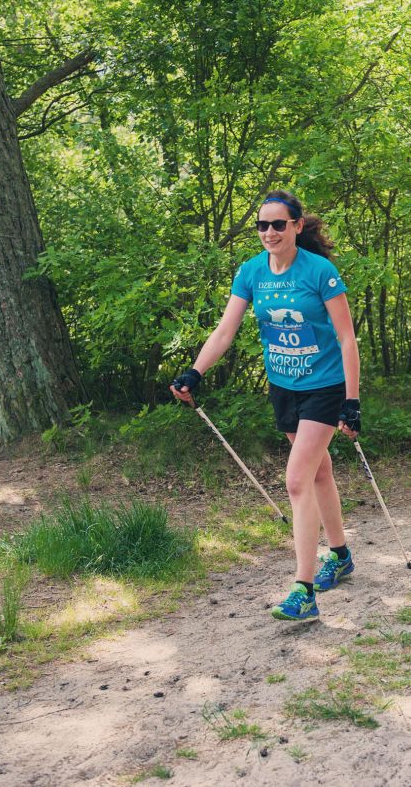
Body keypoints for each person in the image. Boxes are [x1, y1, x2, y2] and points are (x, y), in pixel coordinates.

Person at [171, 190, 360, 621]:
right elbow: (225, 331)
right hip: (283, 385)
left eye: (278, 224)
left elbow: (346, 338)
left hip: (324, 386)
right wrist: (195, 372)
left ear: (296, 226)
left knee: (296, 480)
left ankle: (304, 591)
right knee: (319, 471)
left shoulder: (320, 272)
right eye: (262, 225)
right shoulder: (251, 271)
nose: (269, 232)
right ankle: (340, 555)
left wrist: (351, 400)